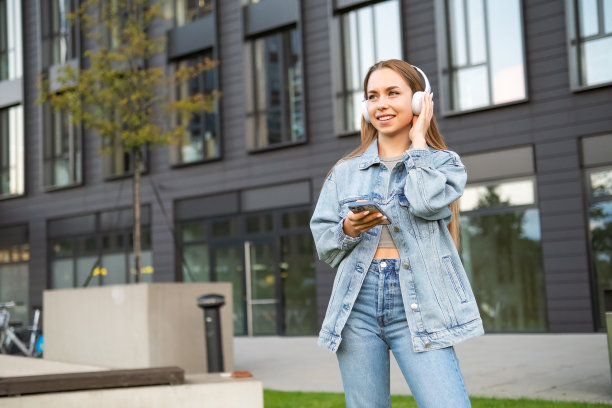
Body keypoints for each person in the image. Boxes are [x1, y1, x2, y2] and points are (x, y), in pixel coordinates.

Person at [310, 59, 484, 408]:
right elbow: (324, 244)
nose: (381, 104)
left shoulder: (443, 164)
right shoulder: (344, 172)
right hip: (357, 302)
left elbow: (424, 203)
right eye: (373, 96)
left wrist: (418, 143)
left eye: (393, 93)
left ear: (420, 101)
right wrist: (348, 229)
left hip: (419, 300)